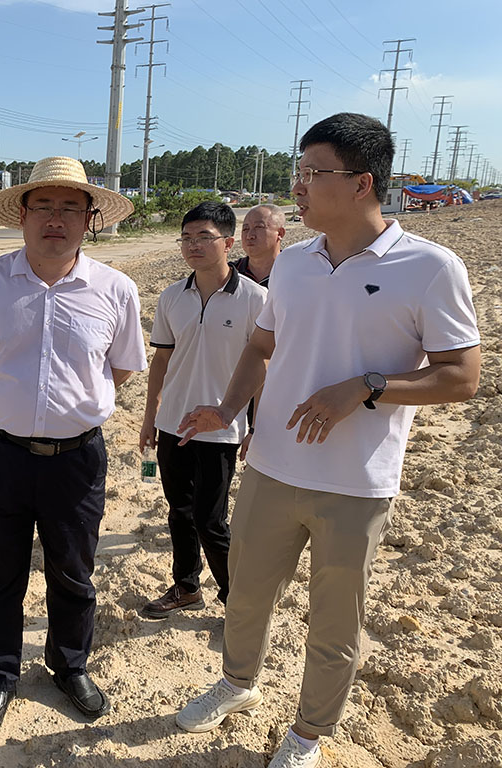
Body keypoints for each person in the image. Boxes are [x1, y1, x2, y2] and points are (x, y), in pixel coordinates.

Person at [175, 113, 480, 768]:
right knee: (246, 595)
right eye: (300, 171)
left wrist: (366, 387)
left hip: (356, 482)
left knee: (334, 623)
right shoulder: (293, 266)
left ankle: (308, 734)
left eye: (314, 173)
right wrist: (226, 409)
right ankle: (237, 683)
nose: (299, 185)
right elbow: (262, 346)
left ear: (362, 182)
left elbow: (461, 376)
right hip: (272, 465)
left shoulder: (431, 267)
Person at [0, 156, 148, 738]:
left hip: (77, 459)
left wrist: (73, 407)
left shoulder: (116, 289)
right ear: (23, 215)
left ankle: (69, 665)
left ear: (90, 218)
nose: (56, 219)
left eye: (70, 208)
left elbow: (122, 367)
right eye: (45, 207)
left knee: (74, 573)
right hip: (0, 455)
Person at [138, 202, 266, 619]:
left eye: (203, 237)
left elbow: (263, 367)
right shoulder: (172, 296)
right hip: (173, 424)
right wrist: (150, 418)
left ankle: (236, 602)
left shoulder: (255, 299)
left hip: (221, 428)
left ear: (228, 243)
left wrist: (255, 425)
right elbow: (161, 360)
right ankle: (187, 587)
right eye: (186, 238)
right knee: (179, 512)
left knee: (211, 521)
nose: (193, 245)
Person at [234, 203, 285, 287]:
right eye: (245, 229)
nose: (249, 236)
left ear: (280, 233)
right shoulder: (231, 274)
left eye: (259, 227)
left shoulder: (294, 271)